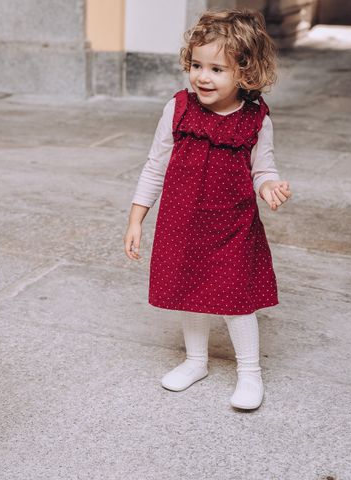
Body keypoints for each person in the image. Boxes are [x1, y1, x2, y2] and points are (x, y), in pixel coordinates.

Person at [124, 9, 291, 410]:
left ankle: (250, 372)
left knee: (237, 301)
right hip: (182, 222)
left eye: (217, 68)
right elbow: (154, 165)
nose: (202, 76)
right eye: (197, 65)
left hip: (232, 225)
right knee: (189, 292)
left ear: (245, 73)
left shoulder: (255, 119)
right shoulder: (178, 109)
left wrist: (268, 186)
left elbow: (262, 167)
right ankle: (195, 360)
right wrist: (136, 219)